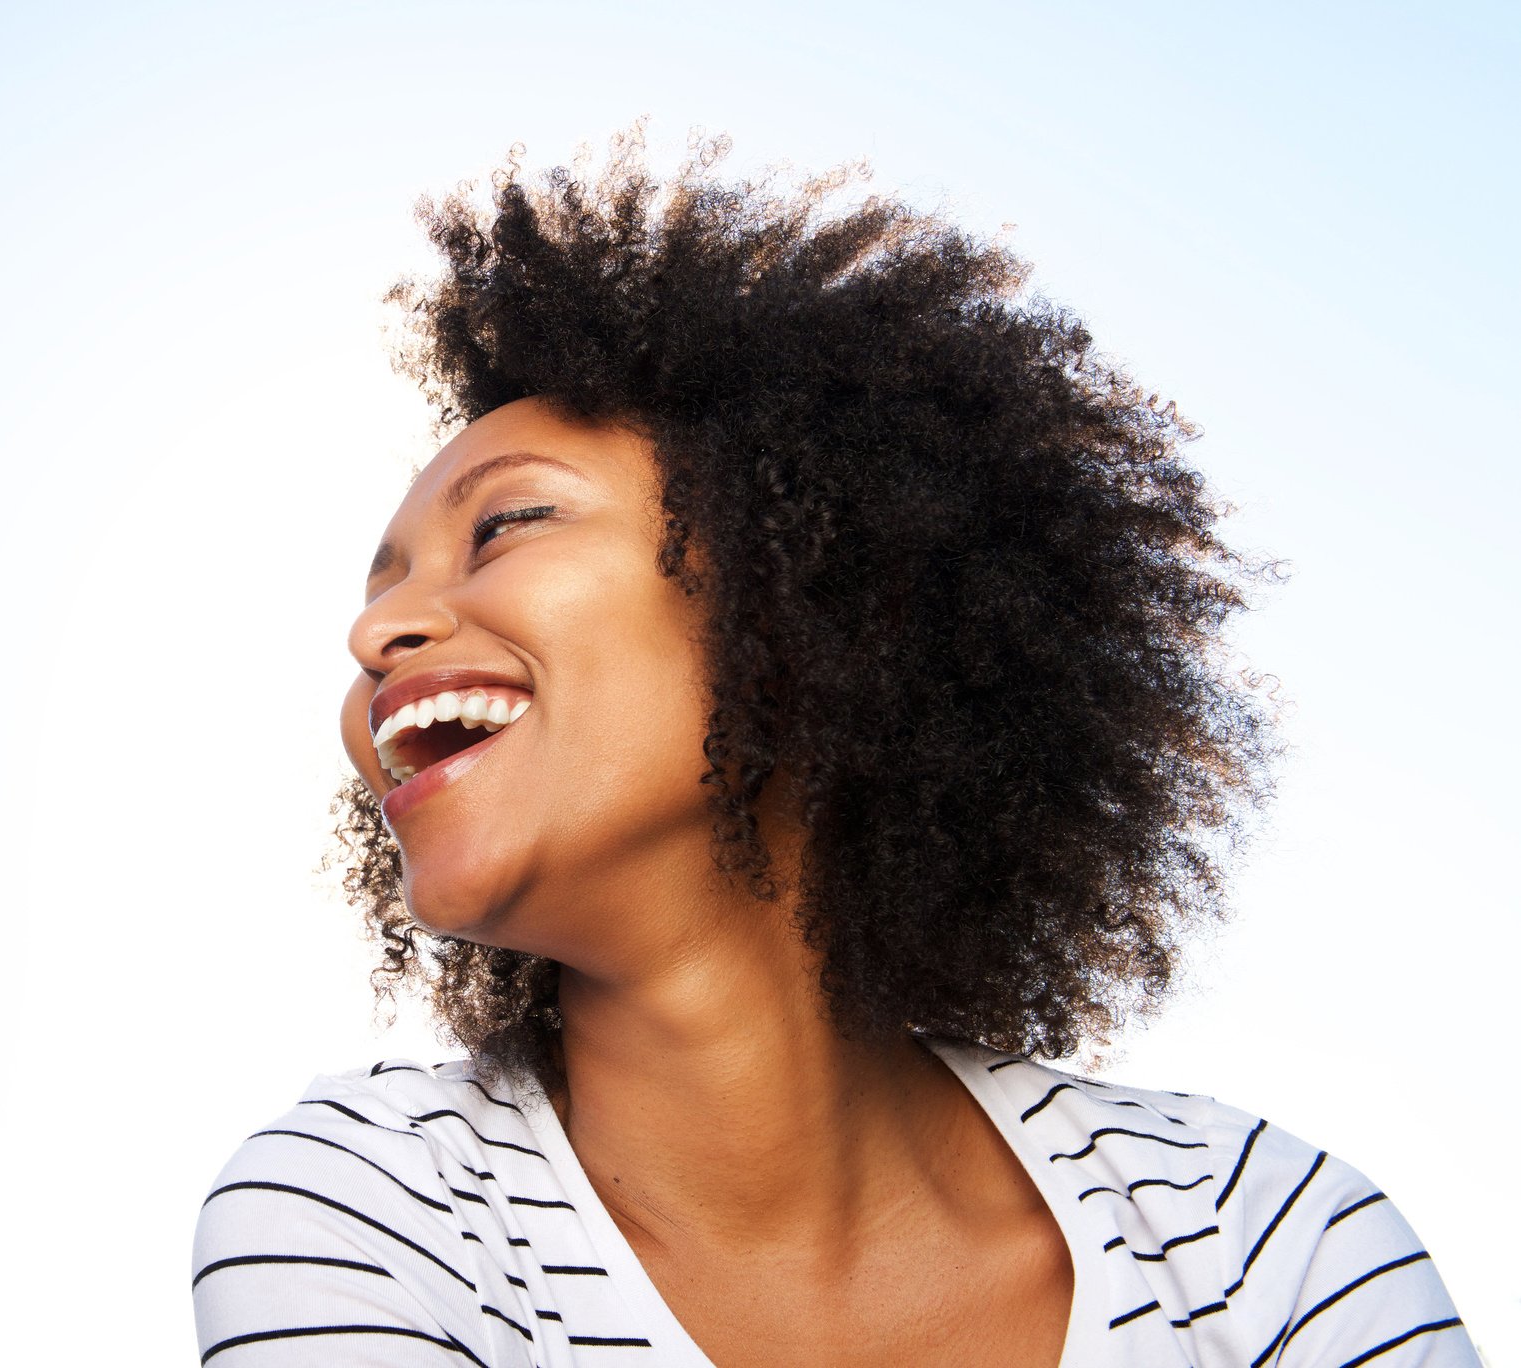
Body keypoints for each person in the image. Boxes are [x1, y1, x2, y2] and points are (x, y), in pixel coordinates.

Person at [190, 132, 1476, 1367]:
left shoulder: (1263, 1241)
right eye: (382, 584)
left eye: (507, 524)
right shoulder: (365, 1214)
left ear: (808, 610)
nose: (377, 630)